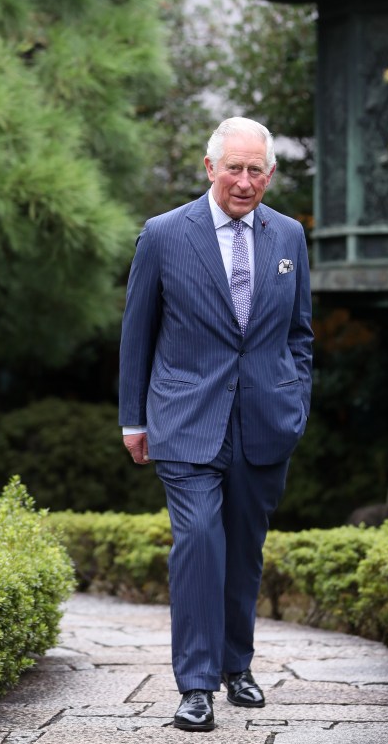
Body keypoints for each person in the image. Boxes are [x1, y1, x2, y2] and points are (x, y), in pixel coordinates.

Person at [119, 116, 314, 732]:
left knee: (243, 549)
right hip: (185, 417)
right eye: (235, 167)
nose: (245, 180)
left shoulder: (289, 236)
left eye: (257, 170)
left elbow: (300, 335)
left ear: (270, 174)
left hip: (263, 420)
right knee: (199, 541)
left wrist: (295, 401)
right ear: (210, 168)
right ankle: (197, 685)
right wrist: (133, 418)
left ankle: (238, 666)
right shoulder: (163, 234)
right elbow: (136, 334)